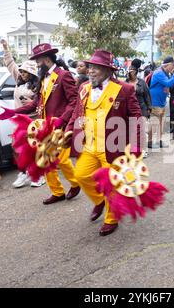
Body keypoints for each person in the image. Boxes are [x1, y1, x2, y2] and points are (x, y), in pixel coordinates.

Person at [65, 49, 143, 237]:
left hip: (113, 146)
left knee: (111, 184)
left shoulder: (124, 89)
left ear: (107, 70)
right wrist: (69, 130)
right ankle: (99, 200)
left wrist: (136, 146)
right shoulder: (84, 87)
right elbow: (77, 113)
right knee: (81, 175)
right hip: (88, 145)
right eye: (90, 66)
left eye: (96, 68)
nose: (90, 71)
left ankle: (111, 218)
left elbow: (136, 118)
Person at [0, 43, 81, 205]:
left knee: (63, 161)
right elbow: (37, 103)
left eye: (37, 60)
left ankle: (76, 183)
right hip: (45, 127)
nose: (36, 64)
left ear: (46, 59)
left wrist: (62, 120)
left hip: (60, 126)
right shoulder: (44, 77)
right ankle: (57, 192)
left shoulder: (63, 75)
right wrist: (15, 112)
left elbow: (74, 102)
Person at [1, 39, 44, 188]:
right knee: (16, 147)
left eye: (26, 72)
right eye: (22, 71)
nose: (23, 73)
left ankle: (39, 175)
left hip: (33, 120)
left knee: (34, 148)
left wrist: (33, 102)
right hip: (19, 120)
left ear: (32, 73)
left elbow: (43, 101)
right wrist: (6, 48)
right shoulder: (18, 79)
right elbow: (10, 63)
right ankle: (23, 173)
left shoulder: (39, 85)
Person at [148, 56, 174, 149]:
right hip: (155, 101)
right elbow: (169, 83)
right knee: (154, 122)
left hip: (162, 101)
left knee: (161, 122)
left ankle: (159, 141)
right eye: (173, 65)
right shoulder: (159, 73)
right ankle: (150, 142)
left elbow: (169, 85)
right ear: (167, 65)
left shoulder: (165, 73)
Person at [127, 58, 151, 158]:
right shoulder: (125, 83)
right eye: (128, 70)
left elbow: (147, 96)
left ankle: (143, 150)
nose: (129, 72)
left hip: (142, 109)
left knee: (143, 131)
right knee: (132, 131)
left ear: (136, 72)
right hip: (130, 110)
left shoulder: (142, 83)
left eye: (131, 70)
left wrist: (149, 108)